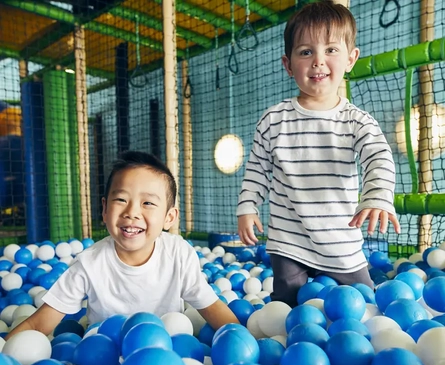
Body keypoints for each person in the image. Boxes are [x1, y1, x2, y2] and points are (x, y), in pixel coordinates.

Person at [237, 0, 400, 307]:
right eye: (306, 51)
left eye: (331, 50)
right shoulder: (274, 119)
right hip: (289, 239)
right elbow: (257, 168)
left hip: (339, 240)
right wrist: (247, 207)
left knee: (362, 303)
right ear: (288, 65)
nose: (318, 61)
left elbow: (378, 157)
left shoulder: (356, 121)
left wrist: (377, 196)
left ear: (351, 59)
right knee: (286, 302)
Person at [7, 151, 238, 338]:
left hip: (164, 354)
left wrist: (245, 340)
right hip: (102, 355)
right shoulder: (90, 263)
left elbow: (212, 307)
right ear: (105, 209)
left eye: (147, 202)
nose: (132, 212)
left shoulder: (178, 254)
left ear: (169, 217)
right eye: (121, 200)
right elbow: (39, 324)